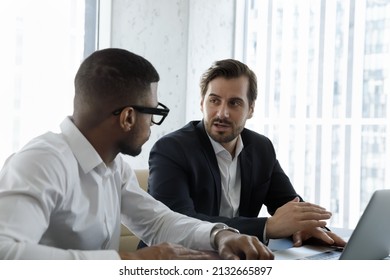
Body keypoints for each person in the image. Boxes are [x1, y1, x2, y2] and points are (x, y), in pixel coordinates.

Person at [0, 49, 274, 260]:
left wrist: (218, 234)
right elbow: (5, 253)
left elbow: (157, 221)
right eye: (154, 113)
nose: (153, 127)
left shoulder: (112, 166)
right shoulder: (42, 162)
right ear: (128, 117)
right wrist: (127, 261)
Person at [146, 58, 346, 248]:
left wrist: (308, 226)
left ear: (250, 109)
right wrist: (267, 227)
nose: (222, 113)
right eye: (214, 101)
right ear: (202, 103)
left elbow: (287, 203)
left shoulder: (261, 148)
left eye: (234, 103)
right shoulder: (171, 149)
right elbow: (178, 222)